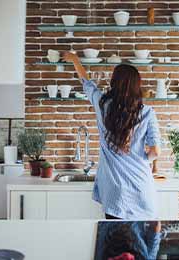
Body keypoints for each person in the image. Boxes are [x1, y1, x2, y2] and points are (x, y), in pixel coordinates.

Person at [63, 52, 162, 219]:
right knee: (142, 243)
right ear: (137, 86)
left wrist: (75, 60)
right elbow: (156, 151)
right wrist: (143, 159)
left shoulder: (103, 105)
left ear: (114, 83)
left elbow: (87, 83)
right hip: (141, 189)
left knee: (115, 243)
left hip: (116, 196)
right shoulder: (147, 112)